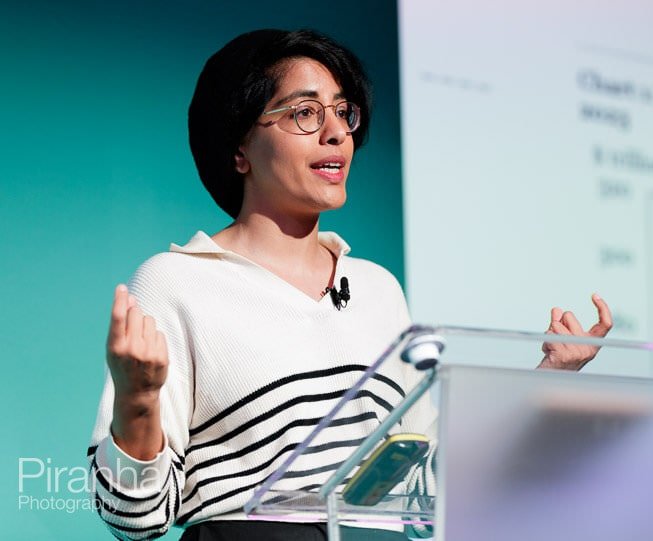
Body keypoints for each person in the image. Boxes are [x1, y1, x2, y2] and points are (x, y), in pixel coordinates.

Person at [87, 29, 613, 541]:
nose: (337, 132)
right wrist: (137, 400)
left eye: (343, 112)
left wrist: (545, 380)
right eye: (305, 112)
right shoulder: (177, 282)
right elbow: (134, 518)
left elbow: (423, 500)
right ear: (240, 145)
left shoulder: (378, 289)